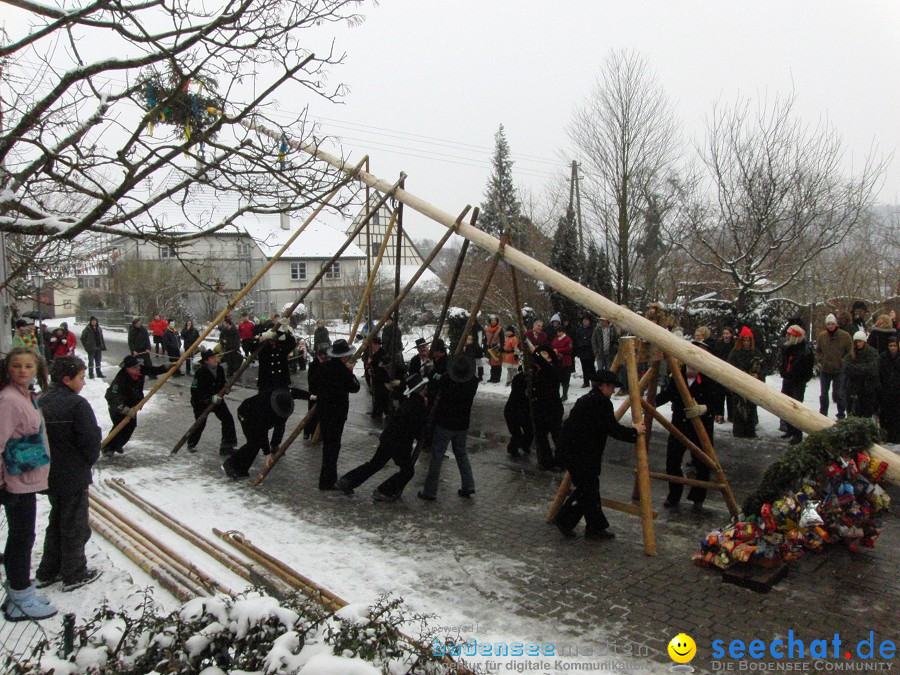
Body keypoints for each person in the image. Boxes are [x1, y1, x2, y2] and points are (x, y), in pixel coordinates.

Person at [35, 356, 102, 592]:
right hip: (72, 474)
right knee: (75, 525)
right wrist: (87, 462)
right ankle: (74, 572)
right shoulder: (77, 405)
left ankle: (48, 569)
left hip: (48, 474)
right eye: (81, 378)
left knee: (56, 520)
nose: (84, 382)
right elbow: (90, 441)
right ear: (67, 379)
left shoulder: (40, 400)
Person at [553, 370, 645, 540]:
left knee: (590, 489)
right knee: (587, 490)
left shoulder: (587, 399)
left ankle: (594, 527)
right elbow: (612, 429)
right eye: (611, 387)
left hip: (573, 450)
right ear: (604, 387)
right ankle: (565, 520)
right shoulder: (601, 402)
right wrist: (634, 432)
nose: (612, 391)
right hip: (581, 453)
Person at [0, 347, 57, 621]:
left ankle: (20, 590)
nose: (22, 371)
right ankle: (20, 596)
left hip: (25, 477)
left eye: (28, 366)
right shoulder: (9, 400)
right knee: (22, 538)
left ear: (37, 369)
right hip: (15, 481)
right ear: (7, 369)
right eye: (16, 366)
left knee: (22, 536)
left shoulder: (26, 395)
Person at [337, 374, 428, 501]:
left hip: (389, 437)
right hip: (399, 442)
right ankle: (383, 491)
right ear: (420, 389)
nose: (426, 389)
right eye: (424, 387)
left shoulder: (409, 400)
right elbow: (417, 428)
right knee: (407, 471)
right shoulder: (418, 405)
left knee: (375, 464)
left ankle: (348, 481)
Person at [654, 363, 715, 512]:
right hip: (679, 425)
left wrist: (704, 408)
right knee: (672, 461)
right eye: (688, 365)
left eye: (694, 365)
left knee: (702, 463)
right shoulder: (678, 377)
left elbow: (717, 400)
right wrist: (652, 402)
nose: (691, 368)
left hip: (700, 426)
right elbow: (668, 394)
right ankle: (674, 495)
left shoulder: (708, 378)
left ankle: (698, 498)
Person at [419, 355, 478, 501]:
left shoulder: (447, 381)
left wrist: (433, 372)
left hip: (445, 424)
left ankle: (430, 491)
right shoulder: (473, 383)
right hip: (462, 425)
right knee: (462, 454)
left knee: (437, 456)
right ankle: (468, 485)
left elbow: (436, 378)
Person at [223, 387, 311, 479]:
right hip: (246, 415)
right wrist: (267, 453)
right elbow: (262, 433)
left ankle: (241, 469)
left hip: (256, 417)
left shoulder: (284, 395)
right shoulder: (264, 409)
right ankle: (231, 463)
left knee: (254, 444)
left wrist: (311, 396)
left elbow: (296, 392)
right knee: (254, 443)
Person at [308, 339, 360, 490]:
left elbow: (314, 387)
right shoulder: (343, 371)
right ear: (344, 356)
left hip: (324, 411)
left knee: (328, 446)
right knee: (333, 446)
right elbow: (355, 388)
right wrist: (350, 373)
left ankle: (328, 478)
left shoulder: (323, 367)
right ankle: (327, 481)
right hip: (337, 413)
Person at [103, 355, 168, 457]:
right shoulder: (121, 379)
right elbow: (111, 396)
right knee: (119, 427)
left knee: (130, 427)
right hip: (119, 408)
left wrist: (166, 367)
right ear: (127, 369)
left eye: (138, 366)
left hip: (132, 407)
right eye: (135, 367)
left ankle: (117, 444)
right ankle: (108, 447)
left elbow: (153, 370)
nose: (138, 369)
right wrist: (123, 408)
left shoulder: (139, 370)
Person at [187, 350, 238, 454]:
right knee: (200, 423)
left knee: (228, 419)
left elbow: (222, 382)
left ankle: (227, 446)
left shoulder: (219, 369)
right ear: (206, 361)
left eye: (215, 357)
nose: (216, 359)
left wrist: (226, 388)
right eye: (212, 358)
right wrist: (209, 399)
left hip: (217, 400)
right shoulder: (200, 372)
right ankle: (191, 443)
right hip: (201, 402)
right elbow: (194, 389)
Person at [778, 325, 814, 445]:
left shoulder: (805, 351)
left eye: (789, 335)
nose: (787, 337)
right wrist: (783, 371)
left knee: (796, 408)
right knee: (785, 406)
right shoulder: (788, 347)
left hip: (797, 382)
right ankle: (790, 429)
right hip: (787, 379)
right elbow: (784, 361)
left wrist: (801, 379)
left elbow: (808, 371)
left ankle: (797, 434)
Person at [727, 327, 764, 438]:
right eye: (744, 340)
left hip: (752, 385)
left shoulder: (756, 353)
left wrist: (758, 375)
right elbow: (729, 366)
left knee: (751, 409)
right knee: (738, 409)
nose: (746, 343)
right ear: (741, 341)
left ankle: (749, 431)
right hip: (738, 385)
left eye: (748, 340)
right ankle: (738, 432)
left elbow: (764, 367)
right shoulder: (735, 352)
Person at [531, 345, 564, 470]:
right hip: (540, 407)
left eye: (544, 353)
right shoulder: (537, 369)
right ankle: (546, 460)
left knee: (556, 434)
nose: (541, 355)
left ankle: (560, 462)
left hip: (553, 407)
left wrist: (530, 346)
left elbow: (538, 358)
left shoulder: (552, 367)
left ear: (550, 356)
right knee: (540, 435)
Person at [815, 314, 852, 420]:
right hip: (825, 369)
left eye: (832, 324)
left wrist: (843, 361)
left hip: (839, 370)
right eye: (828, 324)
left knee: (839, 394)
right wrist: (820, 360)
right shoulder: (822, 336)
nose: (830, 326)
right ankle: (823, 413)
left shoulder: (845, 336)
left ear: (836, 324)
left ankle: (841, 414)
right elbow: (818, 350)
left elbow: (849, 351)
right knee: (823, 393)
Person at [844, 331, 880, 418]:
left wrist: (857, 369)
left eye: (860, 341)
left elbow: (873, 369)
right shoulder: (850, 354)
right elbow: (847, 367)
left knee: (867, 412)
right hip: (854, 388)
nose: (858, 344)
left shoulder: (872, 352)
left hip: (868, 388)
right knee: (855, 412)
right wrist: (862, 369)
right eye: (856, 342)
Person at [504, 366, 532, 457]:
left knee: (529, 431)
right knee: (517, 433)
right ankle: (513, 448)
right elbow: (520, 395)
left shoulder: (529, 379)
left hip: (523, 410)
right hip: (513, 410)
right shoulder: (520, 380)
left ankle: (524, 445)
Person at [304, 344, 329, 441]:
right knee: (312, 415)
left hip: (322, 393)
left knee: (320, 414)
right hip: (315, 393)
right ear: (320, 355)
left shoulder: (324, 363)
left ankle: (318, 434)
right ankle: (309, 432)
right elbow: (312, 380)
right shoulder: (314, 364)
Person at [877, 336, 900, 443]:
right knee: (886, 416)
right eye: (890, 346)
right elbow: (879, 374)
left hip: (898, 393)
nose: (893, 348)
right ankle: (887, 437)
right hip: (885, 392)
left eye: (895, 345)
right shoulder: (882, 358)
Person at [712, 326, 736, 424]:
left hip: (730, 371)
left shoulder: (734, 344)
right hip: (720, 370)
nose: (726, 336)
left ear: (731, 334)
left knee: (730, 395)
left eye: (727, 333)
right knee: (719, 395)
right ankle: (719, 415)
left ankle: (731, 416)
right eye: (724, 334)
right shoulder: (718, 344)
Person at [551, 327, 574, 401]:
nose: (558, 333)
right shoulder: (555, 339)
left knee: (565, 379)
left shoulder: (568, 339)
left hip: (566, 361)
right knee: (557, 378)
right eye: (557, 332)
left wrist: (558, 350)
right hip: (557, 361)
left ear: (563, 332)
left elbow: (569, 349)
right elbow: (552, 346)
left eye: (559, 332)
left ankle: (565, 394)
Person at [574, 315, 596, 388]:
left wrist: (586, 343)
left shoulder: (592, 329)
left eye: (586, 320)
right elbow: (577, 339)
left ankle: (593, 381)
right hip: (582, 351)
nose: (585, 321)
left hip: (590, 350)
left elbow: (592, 339)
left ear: (589, 321)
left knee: (591, 367)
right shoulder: (580, 329)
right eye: (584, 320)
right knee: (584, 367)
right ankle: (586, 382)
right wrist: (580, 345)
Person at [484, 316, 504, 383]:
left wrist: (501, 348)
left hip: (497, 348)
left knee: (498, 364)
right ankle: (492, 377)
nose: (493, 322)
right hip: (490, 348)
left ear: (497, 321)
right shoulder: (487, 329)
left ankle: (497, 378)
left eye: (494, 320)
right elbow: (486, 339)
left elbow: (502, 339)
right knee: (492, 364)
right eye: (492, 320)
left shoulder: (500, 329)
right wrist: (485, 347)